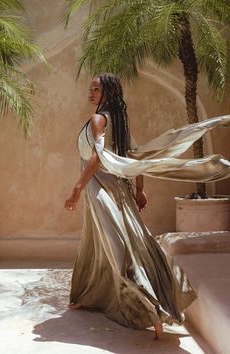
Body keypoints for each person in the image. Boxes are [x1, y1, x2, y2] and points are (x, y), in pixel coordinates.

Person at [64, 73, 230, 339]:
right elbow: (135, 157)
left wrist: (77, 188)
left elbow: (97, 155)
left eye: (96, 89)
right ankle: (89, 294)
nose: (91, 93)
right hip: (120, 189)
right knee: (111, 239)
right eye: (91, 89)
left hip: (100, 186)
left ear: (108, 92)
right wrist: (139, 190)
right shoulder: (120, 122)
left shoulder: (98, 119)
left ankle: (150, 305)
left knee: (117, 242)